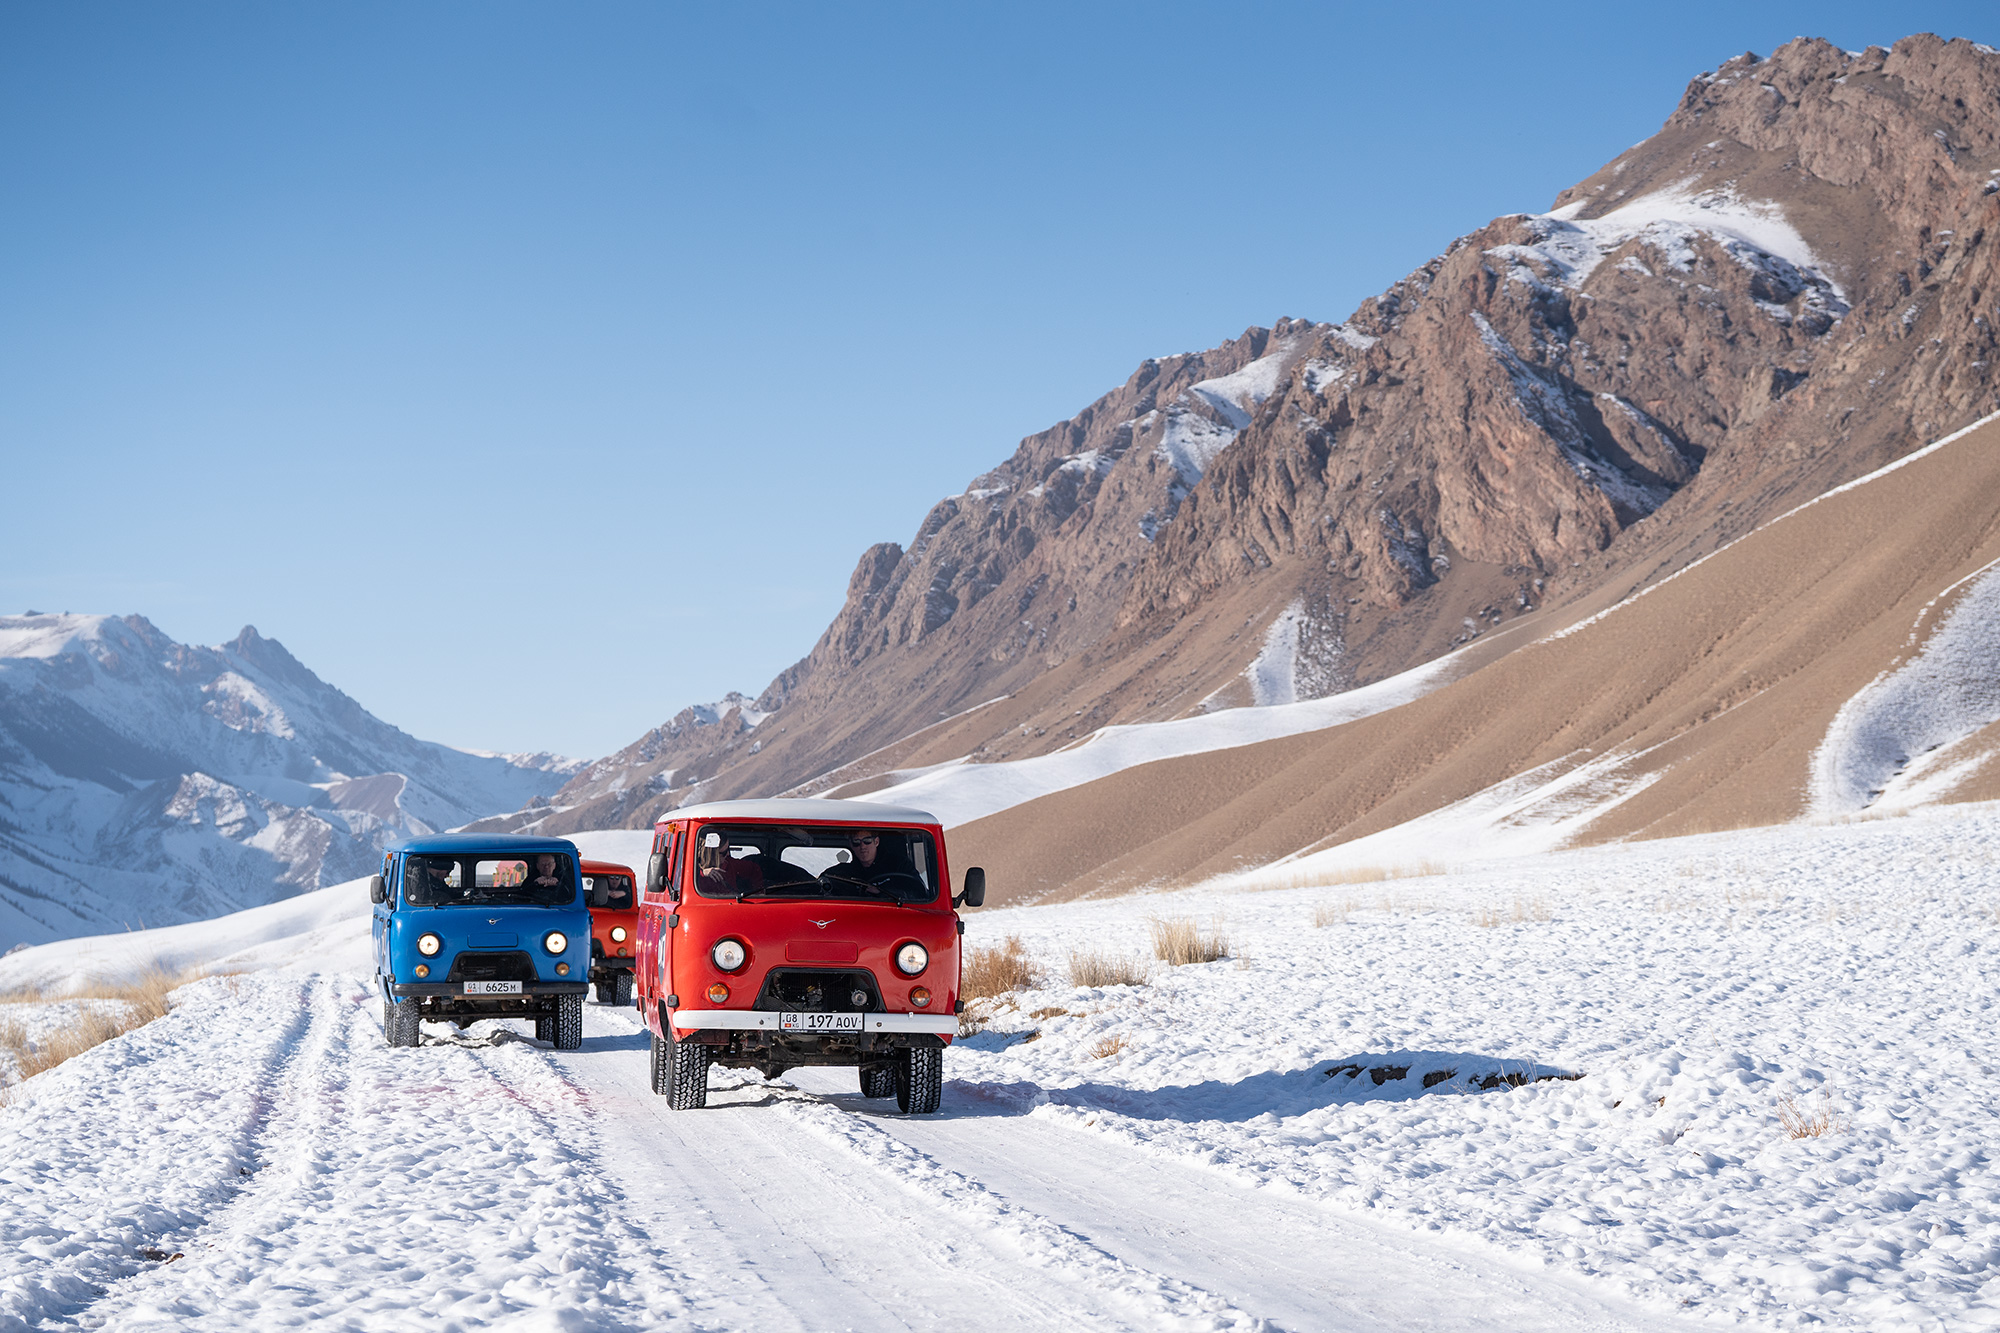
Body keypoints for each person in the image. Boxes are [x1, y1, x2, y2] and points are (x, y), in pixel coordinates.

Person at [696, 835, 765, 896]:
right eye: (724, 852)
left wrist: (758, 894)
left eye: (728, 849)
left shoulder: (730, 863)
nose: (728, 854)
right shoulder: (693, 870)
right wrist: (702, 873)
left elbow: (754, 868)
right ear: (711, 855)